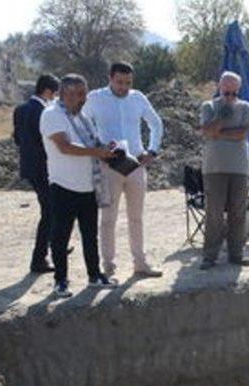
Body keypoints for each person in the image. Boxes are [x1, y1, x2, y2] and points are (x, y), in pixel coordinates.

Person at [83, 61, 165, 279]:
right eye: (119, 82)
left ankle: (140, 263)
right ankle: (108, 266)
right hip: (108, 165)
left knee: (136, 217)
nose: (123, 87)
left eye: (128, 83)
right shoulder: (95, 98)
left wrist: (153, 150)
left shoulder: (138, 98)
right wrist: (96, 148)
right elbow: (82, 124)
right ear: (110, 78)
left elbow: (155, 123)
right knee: (108, 218)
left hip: (136, 164)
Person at [40, 74, 118, 298]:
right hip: (64, 185)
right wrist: (97, 152)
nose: (81, 98)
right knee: (61, 236)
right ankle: (60, 280)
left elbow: (91, 144)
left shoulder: (83, 117)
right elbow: (65, 146)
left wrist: (106, 149)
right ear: (63, 93)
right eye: (75, 94)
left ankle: (94, 276)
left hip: (88, 186)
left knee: (89, 234)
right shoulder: (52, 114)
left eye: (83, 93)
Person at [198, 71, 249, 269]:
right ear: (220, 88)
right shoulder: (208, 106)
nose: (230, 96)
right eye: (226, 92)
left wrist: (219, 133)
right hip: (214, 168)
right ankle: (210, 256)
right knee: (214, 213)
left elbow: (243, 133)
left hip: (239, 167)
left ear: (238, 90)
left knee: (238, 212)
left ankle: (236, 254)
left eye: (233, 93)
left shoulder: (246, 107)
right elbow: (206, 132)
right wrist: (221, 118)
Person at [13, 74, 59, 274]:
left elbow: (17, 138)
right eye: (55, 94)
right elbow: (47, 142)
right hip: (44, 169)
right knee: (50, 212)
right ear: (48, 91)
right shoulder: (44, 112)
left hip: (29, 168)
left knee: (51, 210)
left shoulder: (20, 109)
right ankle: (39, 258)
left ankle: (53, 246)